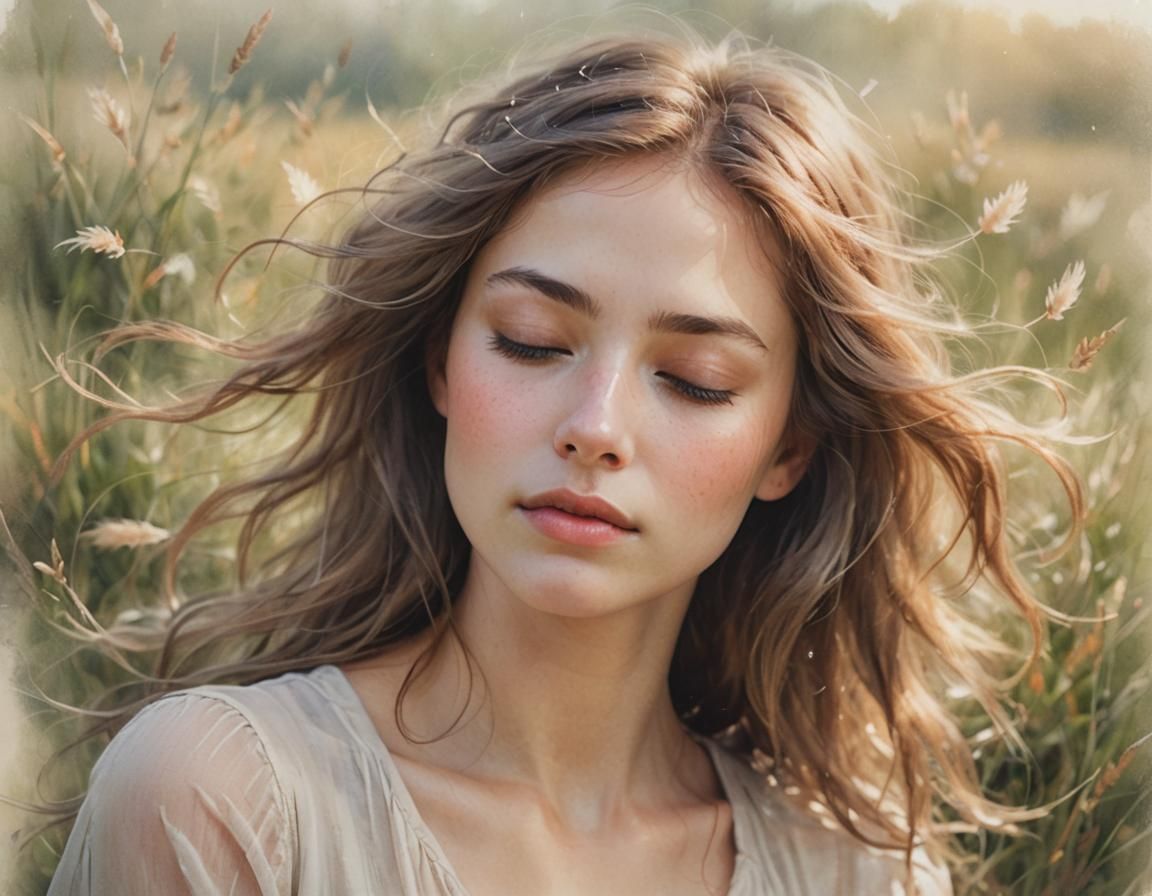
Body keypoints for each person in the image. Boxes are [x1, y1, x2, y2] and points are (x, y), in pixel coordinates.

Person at [40, 26, 1078, 896]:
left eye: (698, 378)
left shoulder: (859, 870)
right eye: (533, 339)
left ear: (790, 445)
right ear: (440, 359)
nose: (595, 424)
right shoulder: (216, 797)